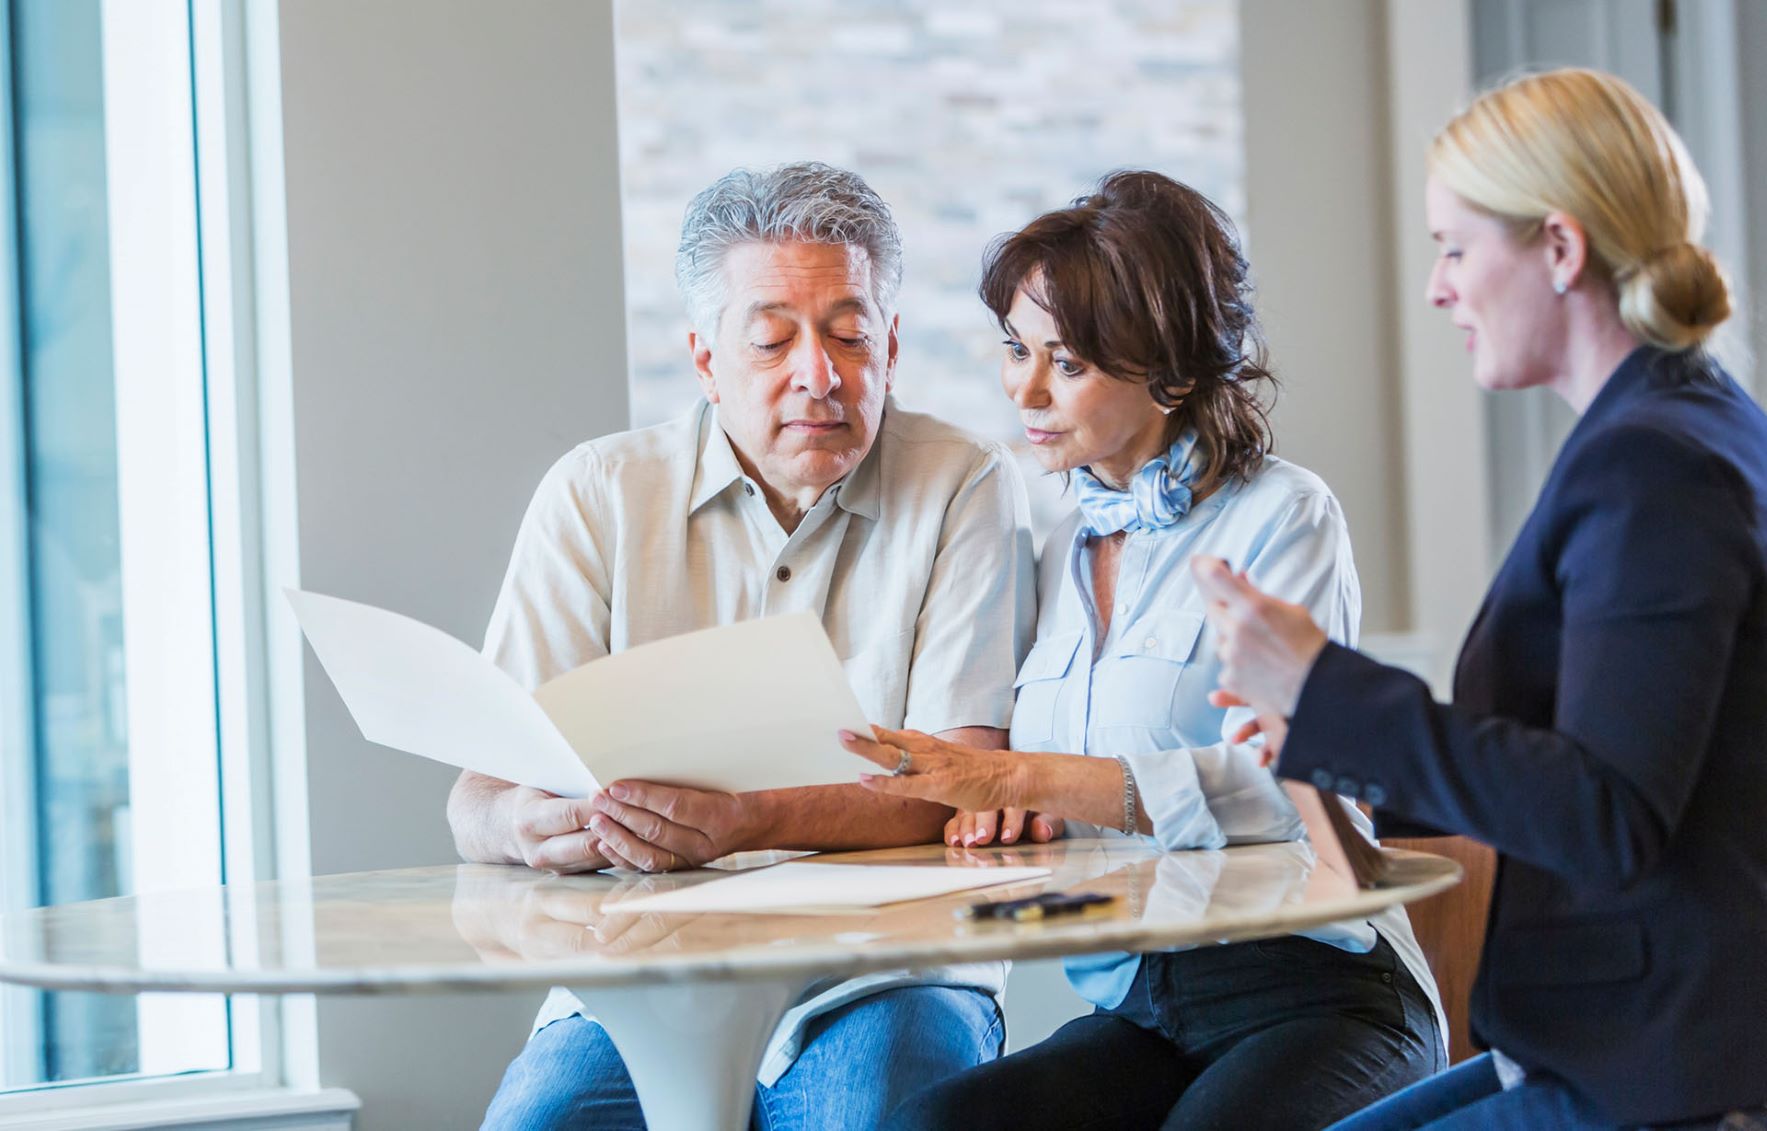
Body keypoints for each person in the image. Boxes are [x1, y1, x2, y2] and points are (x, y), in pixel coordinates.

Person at [1195, 68, 1767, 1130]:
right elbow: (1572, 764)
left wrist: (1327, 691)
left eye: (1455, 248)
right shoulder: (1674, 428)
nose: (1438, 289)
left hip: (1670, 1074)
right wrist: (1319, 732)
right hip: (1617, 1039)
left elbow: (1608, 813)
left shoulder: (1653, 464)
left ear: (1559, 248)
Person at [842, 170, 1445, 1130]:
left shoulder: (1283, 517)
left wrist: (1036, 779)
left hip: (1320, 991)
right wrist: (1011, 817)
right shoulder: (1046, 543)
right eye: (1015, 350)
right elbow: (1048, 797)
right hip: (1146, 1005)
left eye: (1067, 363)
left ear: (1167, 369)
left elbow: (1297, 782)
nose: (1025, 390)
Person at [457, 161, 1037, 1129]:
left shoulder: (965, 484)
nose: (821, 374)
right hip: (641, 969)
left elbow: (964, 777)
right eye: (771, 340)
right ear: (704, 359)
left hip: (886, 969)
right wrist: (522, 825)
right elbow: (476, 796)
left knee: (878, 1109)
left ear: (891, 347)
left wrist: (738, 821)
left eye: (852, 337)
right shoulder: (598, 492)